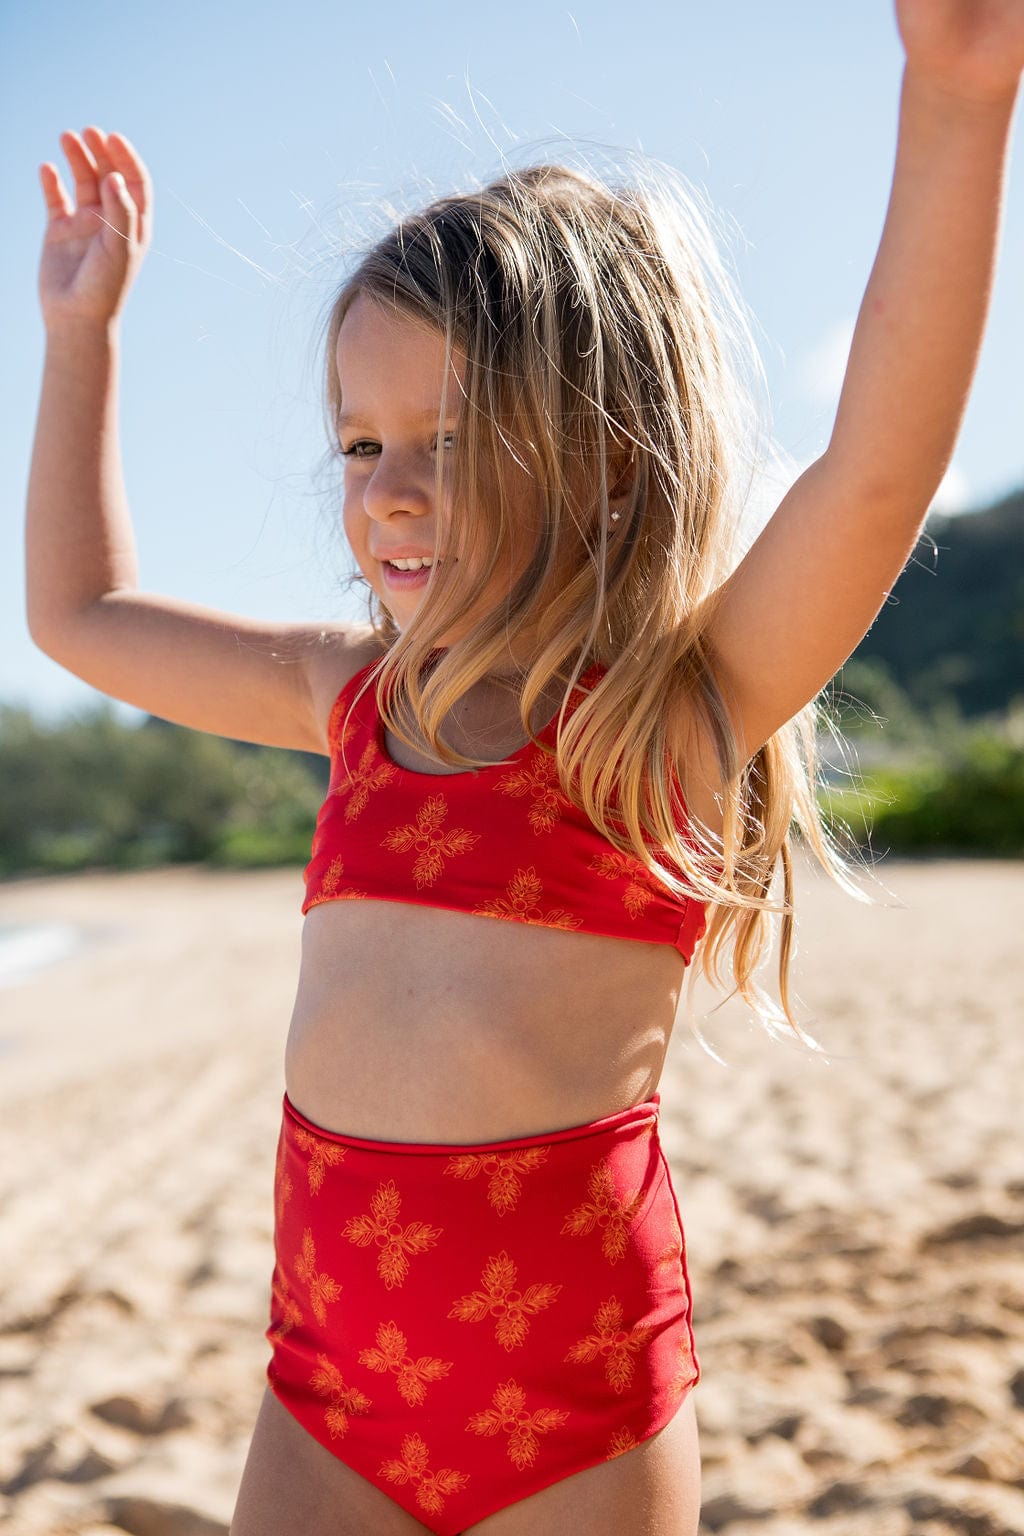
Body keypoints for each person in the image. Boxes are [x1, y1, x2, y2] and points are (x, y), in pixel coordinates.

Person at [26, 5, 1023, 1532]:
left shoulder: (667, 719)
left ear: (610, 453)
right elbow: (80, 617)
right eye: (360, 446)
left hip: (574, 1414)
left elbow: (877, 469)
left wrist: (956, 104)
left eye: (455, 434)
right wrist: (82, 341)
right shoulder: (346, 696)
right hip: (325, 1398)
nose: (391, 493)